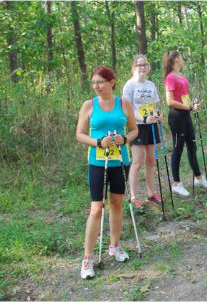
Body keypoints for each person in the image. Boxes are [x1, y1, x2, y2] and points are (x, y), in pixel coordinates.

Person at [76, 66, 138, 279]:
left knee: (117, 204)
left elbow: (134, 129)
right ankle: (87, 258)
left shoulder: (124, 104)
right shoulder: (89, 105)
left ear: (111, 82)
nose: (96, 87)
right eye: (94, 83)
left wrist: (125, 139)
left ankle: (114, 246)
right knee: (96, 209)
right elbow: (80, 134)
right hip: (97, 162)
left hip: (120, 161)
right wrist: (98, 142)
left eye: (100, 82)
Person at [163, 50, 207, 196]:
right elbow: (170, 101)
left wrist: (193, 105)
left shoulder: (182, 76)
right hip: (176, 116)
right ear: (177, 59)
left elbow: (184, 97)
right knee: (178, 147)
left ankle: (198, 178)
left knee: (192, 145)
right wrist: (189, 107)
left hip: (186, 114)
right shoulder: (170, 78)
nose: (183, 60)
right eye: (182, 57)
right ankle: (176, 183)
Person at [122, 55, 163, 208]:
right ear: (134, 66)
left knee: (151, 160)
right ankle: (133, 196)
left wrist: (159, 115)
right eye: (139, 65)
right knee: (138, 161)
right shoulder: (130, 85)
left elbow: (155, 105)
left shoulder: (151, 85)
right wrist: (142, 118)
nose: (142, 68)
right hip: (137, 126)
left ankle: (151, 194)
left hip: (150, 125)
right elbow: (126, 109)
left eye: (145, 65)